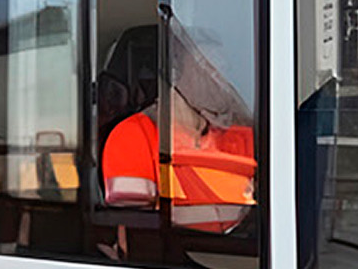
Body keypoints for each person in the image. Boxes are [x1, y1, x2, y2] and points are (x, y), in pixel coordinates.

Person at [101, 23, 254, 231]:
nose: (223, 80)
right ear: (174, 72)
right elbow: (138, 238)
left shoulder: (242, 136)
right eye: (210, 68)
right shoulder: (132, 138)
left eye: (225, 70)